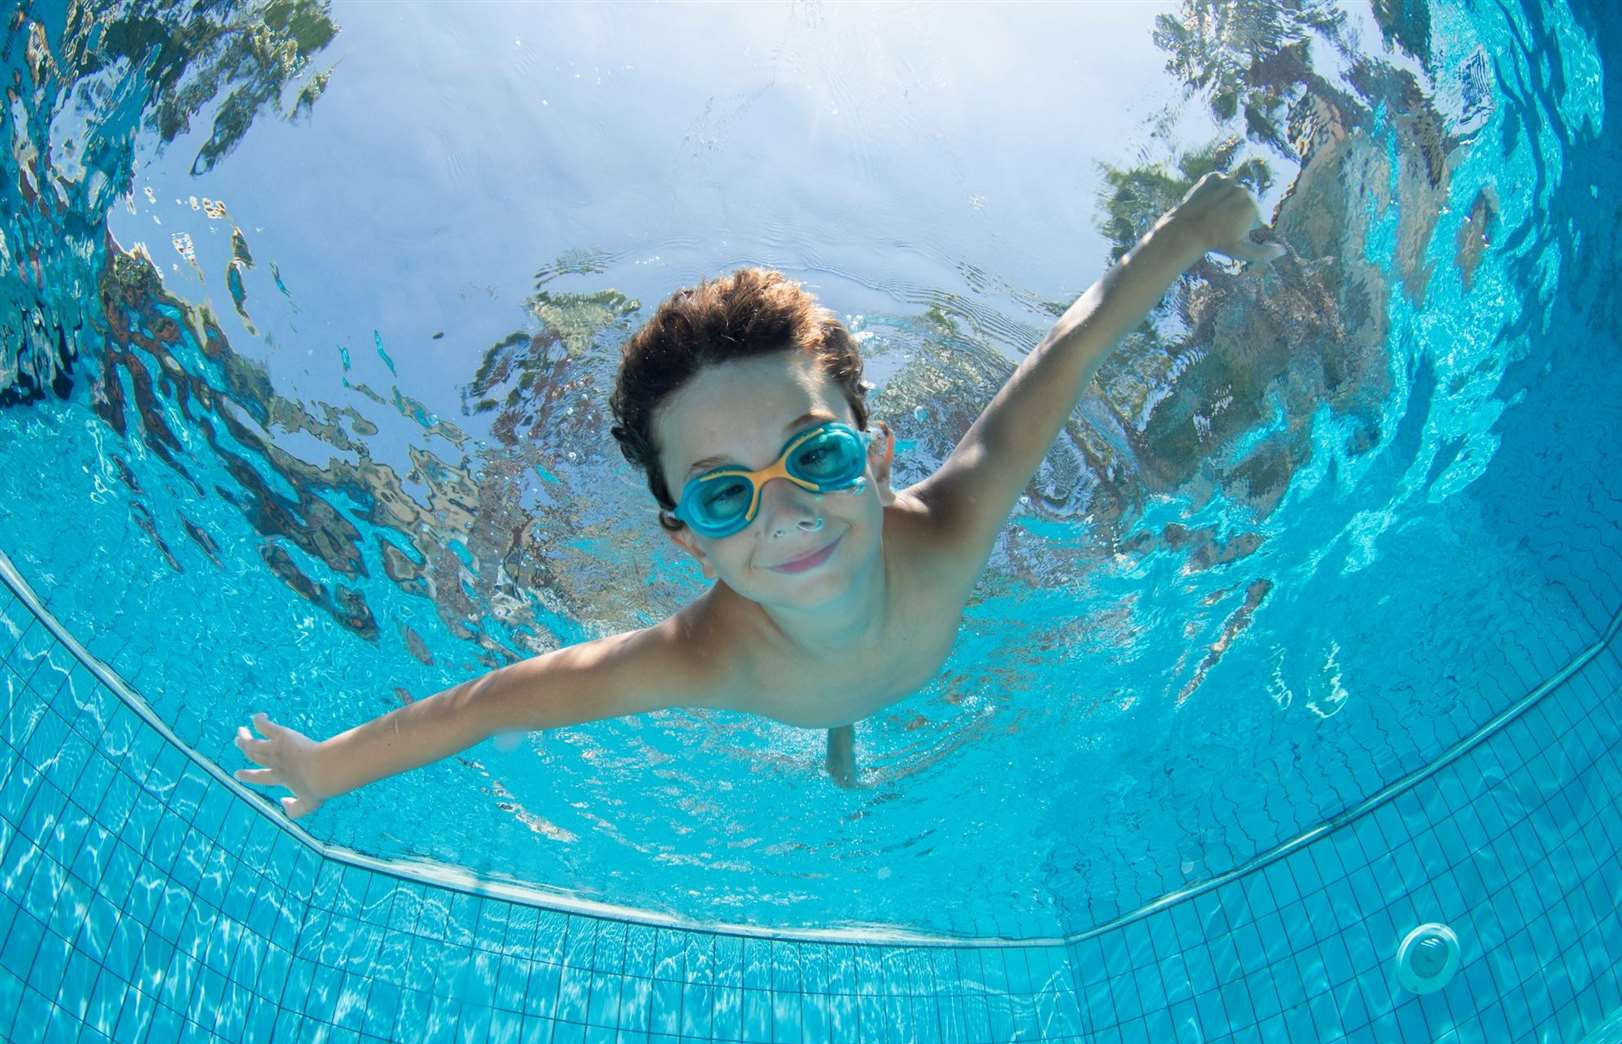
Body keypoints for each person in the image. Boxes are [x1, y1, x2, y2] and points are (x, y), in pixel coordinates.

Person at [234, 173, 1284, 815]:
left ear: (875, 462)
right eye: (723, 497)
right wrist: (331, 765)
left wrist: (1182, 234)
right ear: (687, 542)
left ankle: (843, 730)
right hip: (817, 687)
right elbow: (497, 701)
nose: (781, 511)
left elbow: (1063, 358)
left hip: (905, 655)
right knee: (842, 728)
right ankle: (839, 735)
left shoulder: (951, 527)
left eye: (815, 458)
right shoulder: (703, 656)